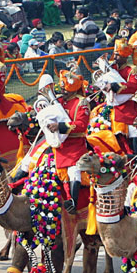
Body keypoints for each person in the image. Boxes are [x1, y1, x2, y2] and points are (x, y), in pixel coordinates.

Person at [45, 69, 90, 213]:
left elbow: (81, 125)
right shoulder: (59, 101)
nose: (62, 89)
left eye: (65, 86)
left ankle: (73, 201)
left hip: (75, 145)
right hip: (58, 143)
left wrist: (60, 126)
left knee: (73, 171)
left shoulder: (81, 102)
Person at [108, 38, 137, 152]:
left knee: (132, 129)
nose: (115, 58)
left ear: (124, 56)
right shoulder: (112, 68)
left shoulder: (132, 69)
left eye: (117, 55)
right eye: (115, 54)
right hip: (111, 103)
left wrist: (115, 86)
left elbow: (133, 86)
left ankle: (133, 152)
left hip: (127, 103)